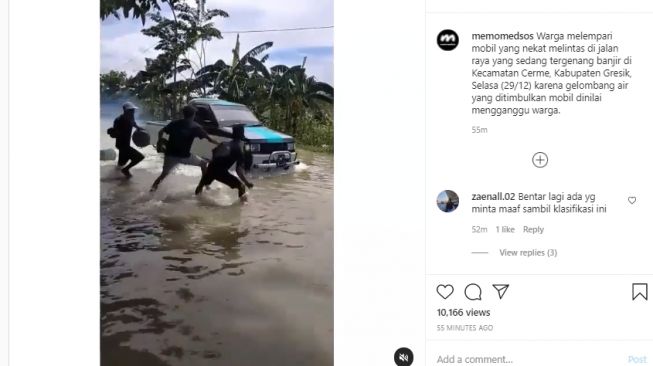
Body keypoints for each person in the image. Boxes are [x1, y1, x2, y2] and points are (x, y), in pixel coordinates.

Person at [150, 105, 219, 192]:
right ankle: (203, 186)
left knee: (163, 175)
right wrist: (220, 144)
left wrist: (159, 142)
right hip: (184, 156)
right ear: (193, 115)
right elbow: (210, 139)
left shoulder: (174, 123)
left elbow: (161, 131)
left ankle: (152, 191)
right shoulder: (196, 127)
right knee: (204, 164)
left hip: (170, 155)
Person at [195, 124, 254, 202]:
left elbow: (214, 152)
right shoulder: (239, 150)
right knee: (241, 186)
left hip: (211, 168)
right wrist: (247, 182)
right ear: (242, 135)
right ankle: (242, 207)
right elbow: (238, 171)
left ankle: (196, 202)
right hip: (221, 172)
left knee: (201, 185)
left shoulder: (224, 144)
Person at [111, 101, 145, 178]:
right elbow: (114, 134)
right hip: (122, 145)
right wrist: (113, 132)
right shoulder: (119, 120)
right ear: (126, 110)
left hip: (126, 144)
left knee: (121, 164)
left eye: (133, 110)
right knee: (140, 157)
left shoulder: (131, 117)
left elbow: (133, 123)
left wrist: (138, 128)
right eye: (131, 110)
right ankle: (125, 170)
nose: (133, 112)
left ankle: (114, 177)